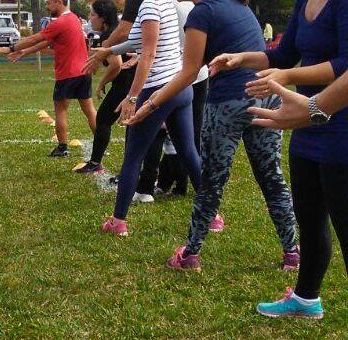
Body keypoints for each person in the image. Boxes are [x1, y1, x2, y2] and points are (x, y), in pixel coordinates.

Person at [127, 0, 299, 272]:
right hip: (266, 96)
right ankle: (292, 253)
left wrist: (148, 105)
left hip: (228, 103)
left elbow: (188, 73)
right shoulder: (241, 8)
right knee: (271, 176)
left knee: (211, 181)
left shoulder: (203, 12)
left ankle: (189, 255)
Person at [208, 0, 348, 319]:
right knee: (310, 220)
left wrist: (287, 76)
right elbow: (282, 55)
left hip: (338, 123)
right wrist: (241, 58)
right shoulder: (305, 2)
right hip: (306, 123)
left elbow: (344, 64)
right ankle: (306, 298)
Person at [98, 0, 202, 236]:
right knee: (187, 151)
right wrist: (111, 51)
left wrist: (132, 97)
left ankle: (118, 221)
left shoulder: (149, 5)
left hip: (158, 88)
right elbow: (143, 41)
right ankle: (212, 214)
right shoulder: (165, 3)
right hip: (180, 87)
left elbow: (149, 54)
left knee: (133, 156)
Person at [0, 0, 97, 157]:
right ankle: (101, 143)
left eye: (49, 3)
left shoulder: (60, 22)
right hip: (83, 72)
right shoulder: (74, 19)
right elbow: (48, 41)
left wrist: (11, 48)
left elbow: (36, 38)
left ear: (58, 2)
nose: (47, 7)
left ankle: (62, 147)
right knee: (90, 110)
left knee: (61, 110)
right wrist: (24, 52)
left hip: (67, 74)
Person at [73, 0, 131, 175]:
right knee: (134, 126)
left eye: (92, 15)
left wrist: (100, 84)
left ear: (103, 18)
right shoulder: (116, 30)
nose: (89, 19)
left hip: (126, 84)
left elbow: (117, 65)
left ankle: (95, 163)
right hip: (133, 82)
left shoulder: (109, 35)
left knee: (103, 120)